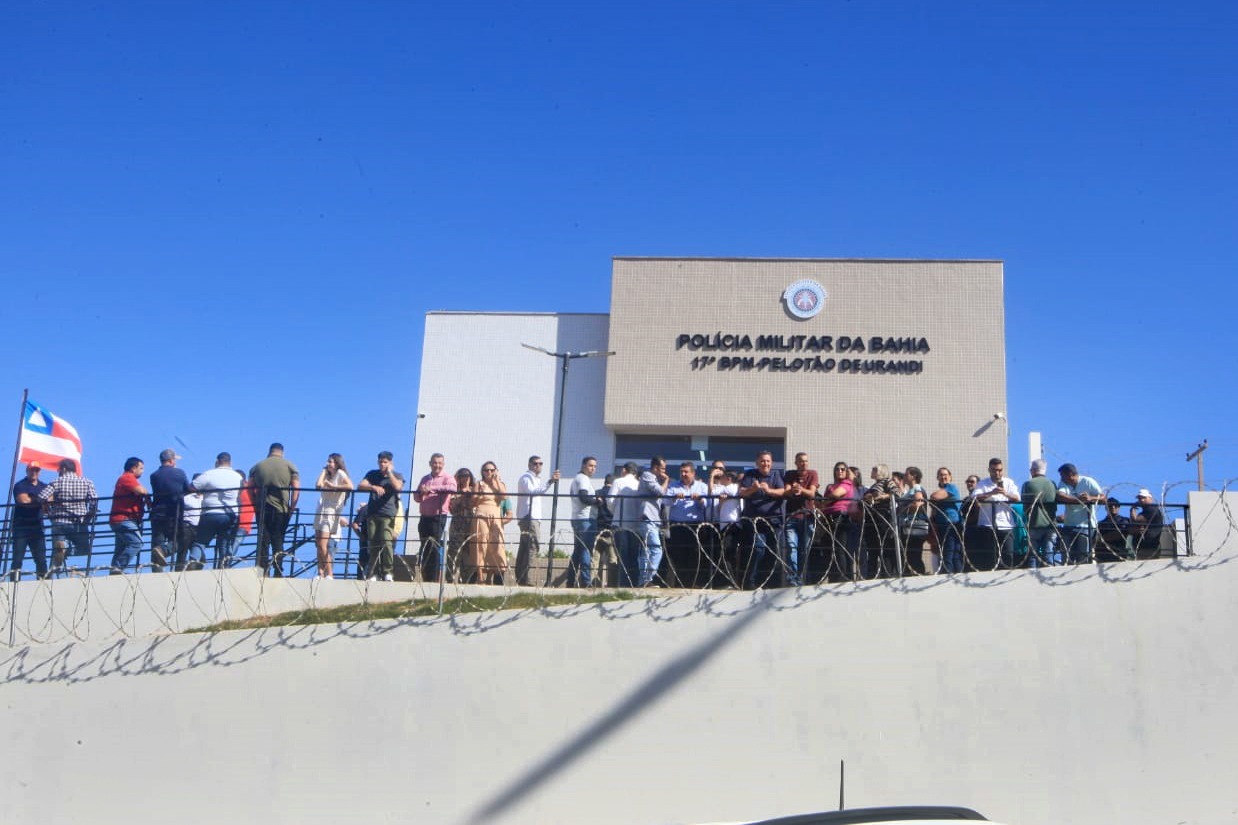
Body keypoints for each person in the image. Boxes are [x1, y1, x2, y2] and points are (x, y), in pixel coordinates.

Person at [38, 459, 97, 575]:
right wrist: (88, 517)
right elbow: (94, 502)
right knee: (84, 549)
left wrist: (49, 512)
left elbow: (41, 497)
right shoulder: (87, 482)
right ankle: (67, 550)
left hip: (59, 521)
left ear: (64, 469)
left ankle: (52, 573)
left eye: (59, 469)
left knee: (56, 550)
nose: (58, 471)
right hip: (79, 523)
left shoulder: (56, 482)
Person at [249, 443, 300, 577]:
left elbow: (249, 488)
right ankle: (278, 570)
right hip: (281, 508)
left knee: (263, 540)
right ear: (282, 452)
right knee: (278, 539)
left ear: (269, 451)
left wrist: (254, 504)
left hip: (262, 507)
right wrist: (292, 507)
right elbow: (296, 488)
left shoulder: (257, 467)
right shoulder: (290, 466)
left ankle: (262, 570)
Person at [739, 451, 788, 587]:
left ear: (771, 463)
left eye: (767, 461)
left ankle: (769, 583)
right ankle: (751, 582)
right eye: (762, 461)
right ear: (757, 463)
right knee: (758, 549)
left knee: (774, 551)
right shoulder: (750, 475)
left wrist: (769, 491)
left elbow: (782, 491)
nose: (765, 463)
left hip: (774, 521)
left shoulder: (776, 475)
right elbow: (742, 492)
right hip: (756, 522)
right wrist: (753, 489)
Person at [618, 457, 669, 587]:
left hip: (652, 519)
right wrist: (666, 480)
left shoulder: (654, 479)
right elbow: (660, 492)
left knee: (647, 551)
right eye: (662, 469)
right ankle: (647, 579)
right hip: (647, 518)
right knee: (656, 550)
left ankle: (643, 581)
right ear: (656, 467)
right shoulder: (648, 476)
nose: (664, 472)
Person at [188, 453, 244, 571]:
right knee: (224, 542)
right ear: (230, 462)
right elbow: (242, 492)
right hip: (230, 514)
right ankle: (224, 566)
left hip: (210, 512)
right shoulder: (237, 477)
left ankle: (193, 561)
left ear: (217, 462)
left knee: (201, 541)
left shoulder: (209, 474)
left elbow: (192, 487)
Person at [358, 451, 405, 581]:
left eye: (385, 462)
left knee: (386, 541)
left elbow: (398, 487)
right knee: (373, 543)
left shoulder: (397, 475)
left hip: (388, 513)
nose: (382, 464)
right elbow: (360, 485)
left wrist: (389, 473)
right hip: (373, 513)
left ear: (390, 463)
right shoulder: (372, 474)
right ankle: (373, 572)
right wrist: (373, 487)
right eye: (381, 462)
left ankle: (387, 571)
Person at [515, 455, 560, 586]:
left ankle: (521, 577)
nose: (538, 466)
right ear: (529, 465)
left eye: (541, 463)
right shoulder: (526, 478)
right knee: (533, 546)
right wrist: (550, 481)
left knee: (526, 547)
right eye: (535, 463)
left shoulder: (534, 478)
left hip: (531, 517)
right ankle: (526, 579)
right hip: (529, 517)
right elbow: (533, 492)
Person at [412, 453, 456, 583]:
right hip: (424, 517)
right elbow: (416, 498)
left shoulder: (448, 477)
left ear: (443, 464)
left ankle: (434, 578)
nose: (437, 465)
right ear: (430, 464)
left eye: (440, 463)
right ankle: (426, 576)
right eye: (435, 463)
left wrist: (432, 488)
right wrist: (421, 492)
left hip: (438, 516)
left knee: (434, 546)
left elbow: (452, 488)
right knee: (425, 547)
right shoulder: (425, 478)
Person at [664, 461, 708, 587]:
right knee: (677, 554)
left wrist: (699, 499)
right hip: (677, 525)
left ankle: (691, 583)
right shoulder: (673, 485)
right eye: (681, 472)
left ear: (693, 473)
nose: (683, 474)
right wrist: (674, 498)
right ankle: (678, 584)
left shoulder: (701, 486)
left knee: (694, 554)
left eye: (686, 472)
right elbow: (665, 502)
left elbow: (708, 504)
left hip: (694, 525)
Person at [970, 458, 1019, 570]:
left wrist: (1005, 494)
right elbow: (974, 497)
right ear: (989, 470)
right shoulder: (983, 484)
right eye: (994, 470)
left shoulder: (1009, 482)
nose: (997, 473)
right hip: (987, 525)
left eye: (1000, 470)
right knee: (990, 557)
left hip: (1006, 525)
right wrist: (991, 493)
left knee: (1008, 555)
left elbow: (1017, 498)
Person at [148, 449, 190, 573]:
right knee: (180, 540)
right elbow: (187, 489)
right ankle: (165, 551)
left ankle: (156, 570)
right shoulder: (179, 473)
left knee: (157, 542)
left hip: (157, 513)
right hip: (174, 512)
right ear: (171, 460)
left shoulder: (154, 475)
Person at [782, 452, 820, 584]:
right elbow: (786, 491)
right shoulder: (789, 474)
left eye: (805, 461)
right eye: (801, 461)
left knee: (804, 550)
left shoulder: (812, 474)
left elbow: (812, 493)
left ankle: (802, 577)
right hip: (792, 517)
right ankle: (793, 579)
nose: (804, 463)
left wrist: (800, 489)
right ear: (796, 463)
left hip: (807, 517)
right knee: (792, 548)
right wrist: (793, 490)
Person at [314, 453, 352, 579]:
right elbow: (318, 485)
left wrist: (334, 486)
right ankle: (320, 572)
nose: (328, 464)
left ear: (336, 463)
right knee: (318, 544)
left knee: (323, 544)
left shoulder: (340, 473)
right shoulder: (327, 475)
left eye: (330, 462)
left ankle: (329, 573)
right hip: (321, 509)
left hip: (331, 511)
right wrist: (324, 471)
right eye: (328, 461)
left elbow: (350, 486)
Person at [1056, 463, 1103, 565]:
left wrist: (1091, 498)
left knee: (1084, 559)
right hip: (1069, 525)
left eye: (1063, 476)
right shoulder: (1064, 483)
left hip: (1086, 526)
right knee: (1067, 559)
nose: (1061, 478)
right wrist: (1078, 500)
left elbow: (1103, 498)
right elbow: (1060, 495)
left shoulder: (1088, 482)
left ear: (1070, 474)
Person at [107, 457, 148, 574]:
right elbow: (141, 491)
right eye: (141, 468)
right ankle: (118, 568)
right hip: (124, 519)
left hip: (120, 519)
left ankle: (114, 571)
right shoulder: (127, 478)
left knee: (121, 547)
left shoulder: (127, 479)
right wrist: (146, 493)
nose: (142, 471)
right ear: (133, 468)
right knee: (137, 543)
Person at [10, 461, 49, 580]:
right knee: (17, 558)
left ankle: (43, 583)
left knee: (41, 559)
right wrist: (40, 500)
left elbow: (50, 502)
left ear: (39, 472)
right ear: (27, 471)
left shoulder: (44, 486)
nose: (34, 472)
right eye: (32, 470)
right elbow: (23, 500)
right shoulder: (20, 485)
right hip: (21, 527)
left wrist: (32, 498)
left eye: (36, 470)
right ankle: (14, 583)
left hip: (37, 527)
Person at [567, 456, 602, 588]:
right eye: (590, 466)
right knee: (586, 550)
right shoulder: (583, 479)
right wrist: (597, 501)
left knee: (578, 551)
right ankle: (586, 582)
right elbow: (584, 497)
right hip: (586, 519)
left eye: (595, 466)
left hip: (577, 518)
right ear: (583, 466)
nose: (593, 469)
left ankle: (570, 581)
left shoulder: (576, 479)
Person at [860, 464, 899, 578]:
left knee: (884, 547)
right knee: (872, 549)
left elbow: (897, 493)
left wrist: (882, 497)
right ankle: (872, 575)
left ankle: (886, 574)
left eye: (875, 469)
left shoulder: (887, 481)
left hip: (882, 518)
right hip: (871, 519)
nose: (872, 471)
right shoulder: (874, 485)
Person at [472, 461, 508, 585]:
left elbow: (504, 497)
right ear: (482, 472)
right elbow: (473, 501)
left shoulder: (500, 484)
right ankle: (480, 576)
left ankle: (490, 576)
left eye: (492, 470)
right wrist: (480, 494)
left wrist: (496, 481)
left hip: (495, 515)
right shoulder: (479, 484)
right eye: (486, 470)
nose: (489, 472)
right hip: (482, 514)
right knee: (481, 543)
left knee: (496, 545)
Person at [818, 461, 855, 581]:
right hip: (827, 517)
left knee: (839, 548)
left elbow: (835, 494)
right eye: (837, 469)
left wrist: (825, 501)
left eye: (843, 469)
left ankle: (841, 577)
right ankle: (833, 577)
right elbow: (823, 502)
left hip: (840, 516)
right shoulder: (830, 486)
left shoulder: (847, 483)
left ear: (846, 472)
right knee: (828, 548)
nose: (840, 471)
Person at [707, 464, 742, 588]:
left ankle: (730, 581)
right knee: (727, 553)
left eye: (722, 478)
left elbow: (711, 492)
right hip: (728, 525)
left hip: (730, 525)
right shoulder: (731, 488)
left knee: (727, 553)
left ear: (728, 479)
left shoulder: (731, 488)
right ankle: (730, 581)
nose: (720, 480)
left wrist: (712, 476)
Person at [1021, 459, 1061, 567]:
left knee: (1033, 555)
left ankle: (1032, 574)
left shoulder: (1028, 484)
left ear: (1033, 470)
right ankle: (1049, 574)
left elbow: (1025, 505)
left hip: (1034, 523)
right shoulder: (1052, 484)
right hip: (1050, 524)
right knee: (1049, 553)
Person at [929, 467, 963, 574]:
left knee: (949, 553)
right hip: (943, 524)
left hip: (950, 525)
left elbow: (934, 496)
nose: (943, 477)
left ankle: (949, 575)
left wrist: (934, 499)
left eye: (945, 475)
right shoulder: (945, 489)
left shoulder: (951, 487)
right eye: (940, 475)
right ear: (937, 478)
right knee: (952, 554)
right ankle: (955, 575)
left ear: (950, 477)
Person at [899, 466, 932, 574]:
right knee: (910, 554)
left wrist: (904, 509)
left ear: (913, 476)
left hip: (916, 525)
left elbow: (918, 503)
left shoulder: (917, 488)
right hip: (910, 525)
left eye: (906, 474)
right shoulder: (909, 491)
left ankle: (918, 575)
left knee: (914, 554)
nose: (904, 476)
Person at [447, 468, 476, 582]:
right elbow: (451, 509)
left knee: (469, 553)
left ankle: (467, 579)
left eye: (467, 476)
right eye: (462, 476)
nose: (465, 478)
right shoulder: (454, 492)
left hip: (471, 525)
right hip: (457, 525)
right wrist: (461, 496)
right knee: (454, 552)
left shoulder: (475, 490)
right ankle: (450, 578)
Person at [1129, 488, 1165, 558]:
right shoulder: (1144, 512)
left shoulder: (1151, 509)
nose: (1141, 500)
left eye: (1144, 498)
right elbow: (1133, 525)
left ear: (1150, 498)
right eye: (1139, 498)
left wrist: (1132, 508)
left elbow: (1136, 520)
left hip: (1150, 546)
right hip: (1144, 545)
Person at [1097, 497, 1132, 561]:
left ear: (1119, 507)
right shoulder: (1101, 523)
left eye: (1116, 506)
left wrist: (1104, 538)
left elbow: (1122, 534)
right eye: (1110, 506)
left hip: (1120, 551)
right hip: (1104, 553)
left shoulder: (1124, 520)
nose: (1113, 507)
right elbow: (1097, 539)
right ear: (1106, 508)